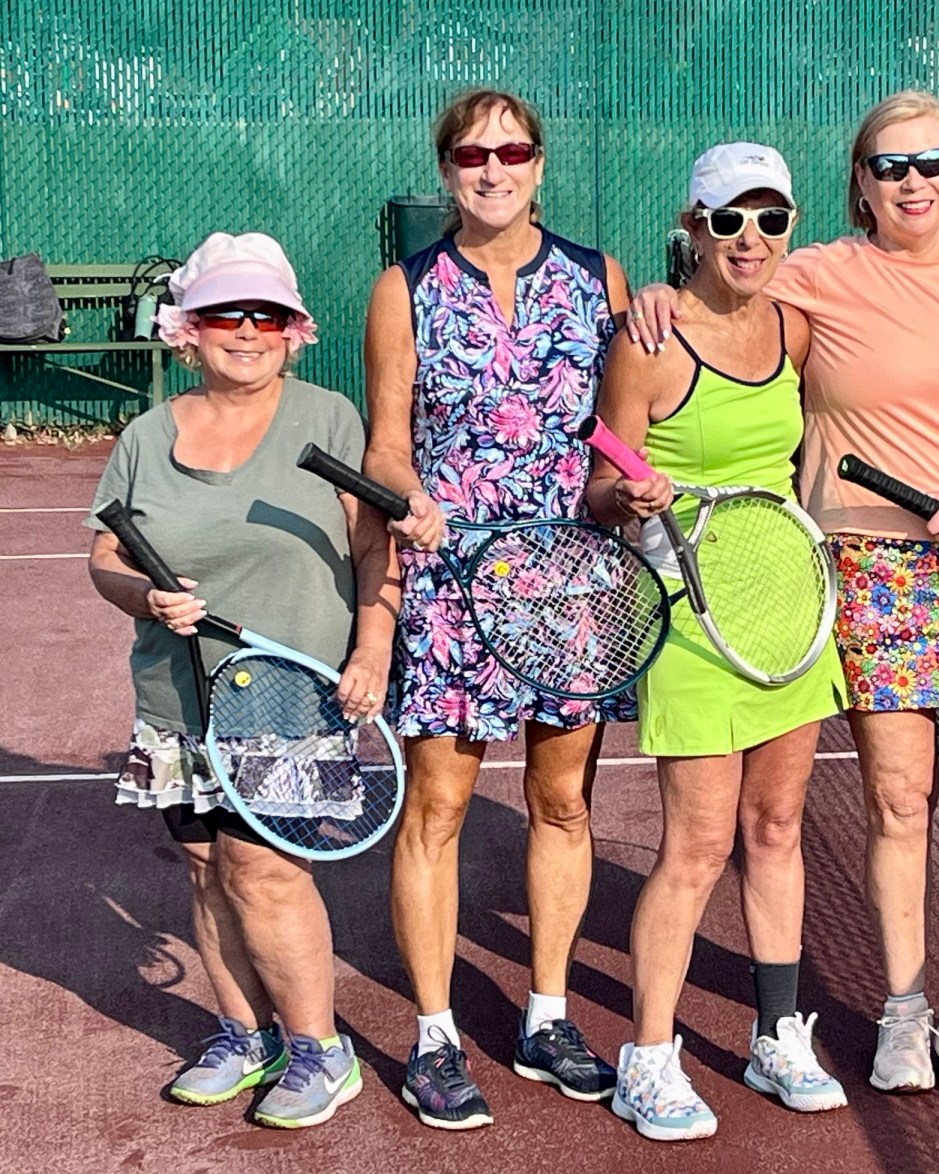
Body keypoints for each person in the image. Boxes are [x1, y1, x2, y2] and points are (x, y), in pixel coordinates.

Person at [629, 93, 939, 1108]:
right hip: (870, 573)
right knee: (896, 804)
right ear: (860, 187)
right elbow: (722, 275)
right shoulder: (813, 275)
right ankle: (905, 1013)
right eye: (889, 166)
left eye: (931, 162)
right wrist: (657, 292)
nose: (912, 181)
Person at [362, 88, 634, 1130]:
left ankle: (547, 1018)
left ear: (539, 164)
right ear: (446, 168)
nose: (493, 168)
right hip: (452, 582)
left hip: (570, 580)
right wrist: (408, 494)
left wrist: (633, 480)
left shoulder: (599, 278)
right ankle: (434, 1037)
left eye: (512, 151)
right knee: (436, 809)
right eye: (472, 153)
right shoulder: (406, 289)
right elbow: (388, 444)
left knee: (564, 803)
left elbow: (617, 428)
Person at [86, 231, 397, 1129]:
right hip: (178, 697)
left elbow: (373, 544)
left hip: (294, 693)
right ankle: (244, 1035)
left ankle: (320, 1051)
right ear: (190, 329)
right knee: (206, 869)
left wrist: (372, 648)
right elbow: (105, 558)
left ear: (293, 329)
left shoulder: (327, 418)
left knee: (263, 872)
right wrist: (144, 595)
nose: (248, 330)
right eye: (227, 314)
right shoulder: (147, 435)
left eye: (267, 314)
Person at [587, 143, 848, 1143]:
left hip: (788, 603)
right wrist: (629, 493)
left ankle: (776, 1035)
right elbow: (601, 483)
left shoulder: (797, 326)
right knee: (696, 846)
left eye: (770, 218)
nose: (750, 237)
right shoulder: (648, 342)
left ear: (791, 227)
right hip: (689, 616)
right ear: (693, 226)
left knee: (775, 828)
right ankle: (648, 1059)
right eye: (729, 218)